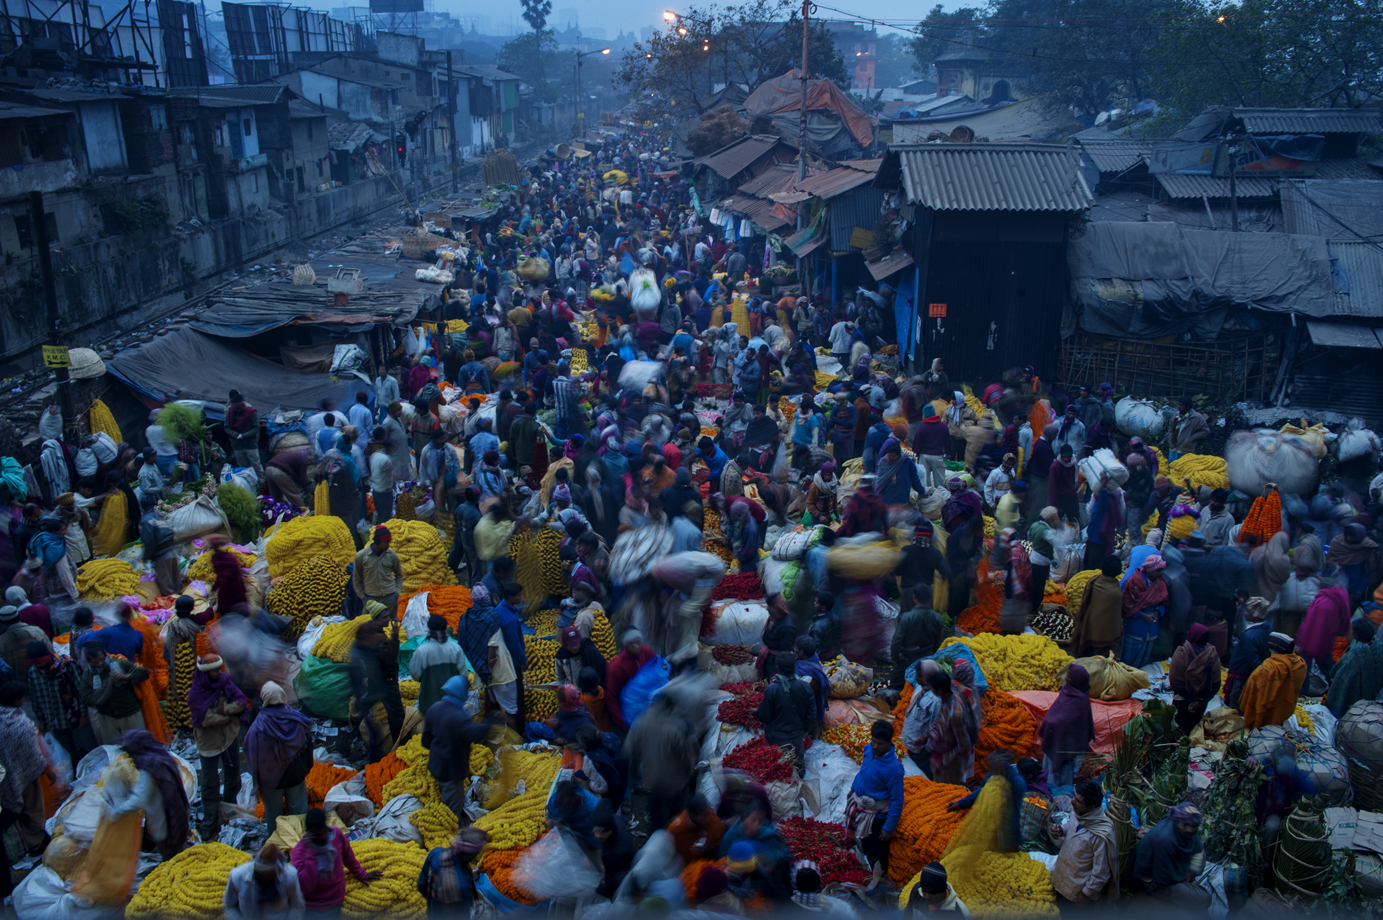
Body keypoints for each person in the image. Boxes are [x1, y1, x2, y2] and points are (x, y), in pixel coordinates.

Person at [105, 729, 191, 858]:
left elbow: (137, 801)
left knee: (171, 857)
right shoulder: (161, 757)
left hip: (164, 823)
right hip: (177, 815)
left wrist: (114, 813)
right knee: (178, 851)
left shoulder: (148, 771)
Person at [0, 680, 61, 856]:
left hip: (4, 777)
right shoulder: (21, 724)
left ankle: (23, 843)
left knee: (14, 812)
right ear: (16, 701)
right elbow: (34, 755)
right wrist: (49, 772)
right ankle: (36, 844)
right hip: (26, 775)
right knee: (33, 809)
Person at [190, 653, 248, 837]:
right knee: (209, 783)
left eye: (218, 668)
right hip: (209, 743)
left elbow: (240, 702)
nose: (218, 672)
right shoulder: (197, 692)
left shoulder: (224, 681)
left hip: (228, 738)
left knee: (233, 774)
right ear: (206, 673)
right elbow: (204, 719)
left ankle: (231, 809)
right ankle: (210, 821)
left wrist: (223, 711)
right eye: (214, 670)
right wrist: (228, 717)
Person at [244, 681, 312, 832]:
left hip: (271, 781)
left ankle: (278, 848)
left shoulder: (258, 727)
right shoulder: (297, 720)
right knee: (299, 815)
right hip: (295, 776)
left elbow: (250, 750)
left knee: (274, 819)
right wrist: (305, 768)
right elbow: (308, 746)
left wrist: (258, 779)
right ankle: (298, 847)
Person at [845, 720, 904, 889]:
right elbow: (863, 771)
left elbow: (898, 800)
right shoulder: (868, 750)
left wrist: (888, 827)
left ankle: (878, 885)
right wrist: (854, 789)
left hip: (877, 817)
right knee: (863, 844)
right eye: (874, 741)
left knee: (876, 853)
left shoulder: (894, 768)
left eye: (880, 744)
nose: (875, 746)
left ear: (889, 742)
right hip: (861, 805)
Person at [422, 676, 491, 821]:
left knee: (444, 793)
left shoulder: (434, 708)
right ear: (461, 693)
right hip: (452, 770)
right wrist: (488, 726)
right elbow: (471, 733)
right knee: (453, 810)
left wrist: (438, 748)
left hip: (436, 765)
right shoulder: (458, 716)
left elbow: (425, 740)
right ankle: (453, 831)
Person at [291, 808, 381, 913]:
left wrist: (361, 874)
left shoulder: (336, 835)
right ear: (310, 834)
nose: (323, 836)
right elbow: (305, 887)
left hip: (336, 900)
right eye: (317, 835)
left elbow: (348, 856)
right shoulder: (300, 852)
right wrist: (312, 854)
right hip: (314, 907)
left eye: (324, 831)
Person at [1049, 780, 1119, 909]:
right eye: (1074, 797)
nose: (1072, 801)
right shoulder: (1078, 813)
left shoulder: (1101, 834)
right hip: (1063, 880)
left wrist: (1086, 893)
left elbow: (1101, 871)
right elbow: (1070, 825)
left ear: (1091, 807)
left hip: (1078, 891)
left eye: (1078, 800)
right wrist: (1061, 830)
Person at [1129, 803, 1210, 910]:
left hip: (1169, 877)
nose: (1190, 830)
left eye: (1193, 826)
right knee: (1204, 898)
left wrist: (1191, 872)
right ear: (1178, 821)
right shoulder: (1164, 839)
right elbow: (1163, 878)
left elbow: (1198, 848)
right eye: (1186, 825)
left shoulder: (1184, 833)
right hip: (1155, 883)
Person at [1037, 665, 1096, 800]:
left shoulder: (1076, 697)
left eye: (1068, 677)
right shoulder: (1070, 693)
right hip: (1058, 744)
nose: (1065, 679)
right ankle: (1054, 798)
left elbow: (1075, 725)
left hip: (1063, 745)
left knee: (1058, 779)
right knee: (1055, 778)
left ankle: (1056, 800)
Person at [79, 640, 148, 743]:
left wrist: (125, 676)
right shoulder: (88, 675)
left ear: (105, 654)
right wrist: (101, 691)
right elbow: (85, 697)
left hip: (129, 713)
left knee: (139, 745)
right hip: (107, 717)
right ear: (89, 661)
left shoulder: (120, 663)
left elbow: (144, 673)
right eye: (95, 662)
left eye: (101, 659)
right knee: (115, 752)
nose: (99, 663)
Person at [754, 651, 815, 767]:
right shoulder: (805, 687)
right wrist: (804, 730)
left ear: (777, 668)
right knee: (797, 767)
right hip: (797, 736)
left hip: (776, 737)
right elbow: (811, 714)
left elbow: (765, 716)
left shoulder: (772, 689)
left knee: (778, 770)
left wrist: (756, 713)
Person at [1238, 632, 1306, 729]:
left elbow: (1254, 694)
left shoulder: (1266, 669)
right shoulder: (1300, 664)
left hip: (1265, 714)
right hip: (1284, 712)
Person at [417, 828, 486, 917]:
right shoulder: (463, 884)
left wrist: (435, 899)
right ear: (473, 855)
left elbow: (421, 885)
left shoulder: (436, 853)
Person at [224, 844, 304, 920]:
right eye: (261, 874)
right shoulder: (237, 876)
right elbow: (229, 905)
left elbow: (296, 905)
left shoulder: (289, 876)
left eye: (268, 875)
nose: (264, 877)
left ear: (276, 872)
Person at [408, 615, 467, 718]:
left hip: (429, 704)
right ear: (445, 628)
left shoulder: (421, 651)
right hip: (452, 705)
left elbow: (415, 674)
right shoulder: (456, 648)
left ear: (429, 629)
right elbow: (464, 676)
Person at [890, 585, 946, 691]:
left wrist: (896, 656)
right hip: (927, 657)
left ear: (914, 597)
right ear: (930, 598)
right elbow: (939, 641)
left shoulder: (907, 618)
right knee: (926, 687)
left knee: (896, 687)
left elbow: (896, 641)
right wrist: (932, 656)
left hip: (907, 658)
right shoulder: (937, 618)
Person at [928, 667, 978, 785]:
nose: (931, 690)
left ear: (939, 690)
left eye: (932, 688)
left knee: (946, 792)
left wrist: (943, 761)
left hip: (949, 762)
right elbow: (940, 720)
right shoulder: (945, 698)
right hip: (941, 753)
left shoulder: (955, 714)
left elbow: (964, 745)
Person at [488, 583, 528, 727]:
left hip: (503, 656)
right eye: (519, 596)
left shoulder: (500, 608)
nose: (521, 597)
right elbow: (514, 643)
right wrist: (523, 660)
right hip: (512, 660)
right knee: (517, 696)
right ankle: (519, 727)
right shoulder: (509, 619)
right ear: (511, 597)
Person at [1169, 623, 1221, 734]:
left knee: (1177, 730)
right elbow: (1216, 683)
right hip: (1201, 703)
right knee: (1192, 730)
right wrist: (1201, 701)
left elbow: (1175, 683)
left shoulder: (1182, 653)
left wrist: (1190, 700)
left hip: (1183, 702)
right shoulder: (1212, 654)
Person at [1120, 553, 1167, 667]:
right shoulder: (1133, 582)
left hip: (1151, 632)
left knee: (1143, 665)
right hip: (1135, 629)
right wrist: (1143, 615)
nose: (1161, 572)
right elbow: (1126, 604)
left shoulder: (1160, 583)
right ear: (1151, 570)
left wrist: (1157, 613)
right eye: (1159, 570)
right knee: (1127, 665)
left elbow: (1164, 603)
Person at [1328, 620, 1383, 718]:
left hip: (1352, 702)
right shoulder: (1380, 649)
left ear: (1356, 635)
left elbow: (1338, 676)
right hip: (1374, 699)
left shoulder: (1353, 655)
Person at [1224, 596, 1271, 710]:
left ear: (1256, 615)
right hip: (1249, 674)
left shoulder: (1251, 636)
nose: (1245, 613)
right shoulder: (1268, 628)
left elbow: (1253, 659)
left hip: (1243, 677)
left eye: (1248, 611)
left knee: (1236, 703)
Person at [353, 526, 404, 620]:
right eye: (386, 542)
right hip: (371, 598)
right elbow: (356, 579)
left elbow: (399, 575)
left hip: (390, 596)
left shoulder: (392, 556)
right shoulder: (361, 556)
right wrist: (363, 597)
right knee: (370, 624)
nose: (388, 545)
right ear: (377, 541)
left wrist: (397, 592)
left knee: (391, 623)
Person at [592, 800, 637, 899]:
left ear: (611, 829)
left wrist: (601, 890)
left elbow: (612, 877)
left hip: (620, 873)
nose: (598, 836)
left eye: (603, 832)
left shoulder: (618, 851)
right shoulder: (616, 819)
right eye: (596, 831)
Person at [667, 795, 726, 866]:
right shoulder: (676, 829)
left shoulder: (716, 824)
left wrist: (708, 850)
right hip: (682, 871)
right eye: (703, 817)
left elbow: (722, 852)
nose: (707, 819)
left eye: (707, 814)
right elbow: (668, 854)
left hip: (708, 869)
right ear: (692, 815)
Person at [903, 863, 970, 917]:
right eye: (924, 891)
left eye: (932, 893)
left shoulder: (960, 914)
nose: (926, 896)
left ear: (943, 891)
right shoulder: (917, 890)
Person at [224, 390, 263, 483]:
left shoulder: (251, 412)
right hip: (237, 445)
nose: (239, 409)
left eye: (241, 406)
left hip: (250, 445)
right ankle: (249, 483)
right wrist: (232, 433)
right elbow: (226, 427)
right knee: (243, 468)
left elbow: (256, 427)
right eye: (237, 407)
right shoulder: (230, 413)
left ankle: (262, 484)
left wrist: (245, 435)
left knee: (256, 466)